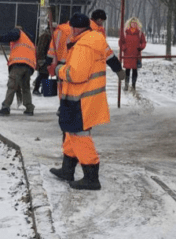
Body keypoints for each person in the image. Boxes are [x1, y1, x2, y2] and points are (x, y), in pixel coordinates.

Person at [49, 13, 124, 191]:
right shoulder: (95, 38)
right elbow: (110, 57)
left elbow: (75, 75)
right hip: (85, 99)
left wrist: (59, 70)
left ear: (75, 28)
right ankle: (67, 169)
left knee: (79, 136)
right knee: (70, 133)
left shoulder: (83, 46)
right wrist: (119, 71)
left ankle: (91, 177)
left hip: (79, 99)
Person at [0, 26, 36, 116]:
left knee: (12, 85)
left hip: (19, 64)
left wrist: (0, 38)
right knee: (25, 87)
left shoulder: (18, 32)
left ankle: (5, 107)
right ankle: (29, 108)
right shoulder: (28, 39)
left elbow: (13, 35)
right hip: (29, 65)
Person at [119, 17, 147, 91]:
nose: (133, 24)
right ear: (129, 23)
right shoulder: (125, 32)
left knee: (135, 70)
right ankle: (126, 85)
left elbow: (143, 42)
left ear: (137, 24)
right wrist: (123, 48)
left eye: (135, 23)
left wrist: (141, 47)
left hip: (136, 54)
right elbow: (121, 42)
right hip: (127, 54)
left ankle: (133, 85)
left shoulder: (140, 33)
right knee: (127, 70)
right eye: (132, 23)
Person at [32, 28, 53, 95]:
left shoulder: (46, 35)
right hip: (44, 58)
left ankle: (44, 90)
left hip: (44, 58)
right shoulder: (46, 36)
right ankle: (37, 89)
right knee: (42, 74)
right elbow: (41, 48)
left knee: (45, 74)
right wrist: (41, 59)